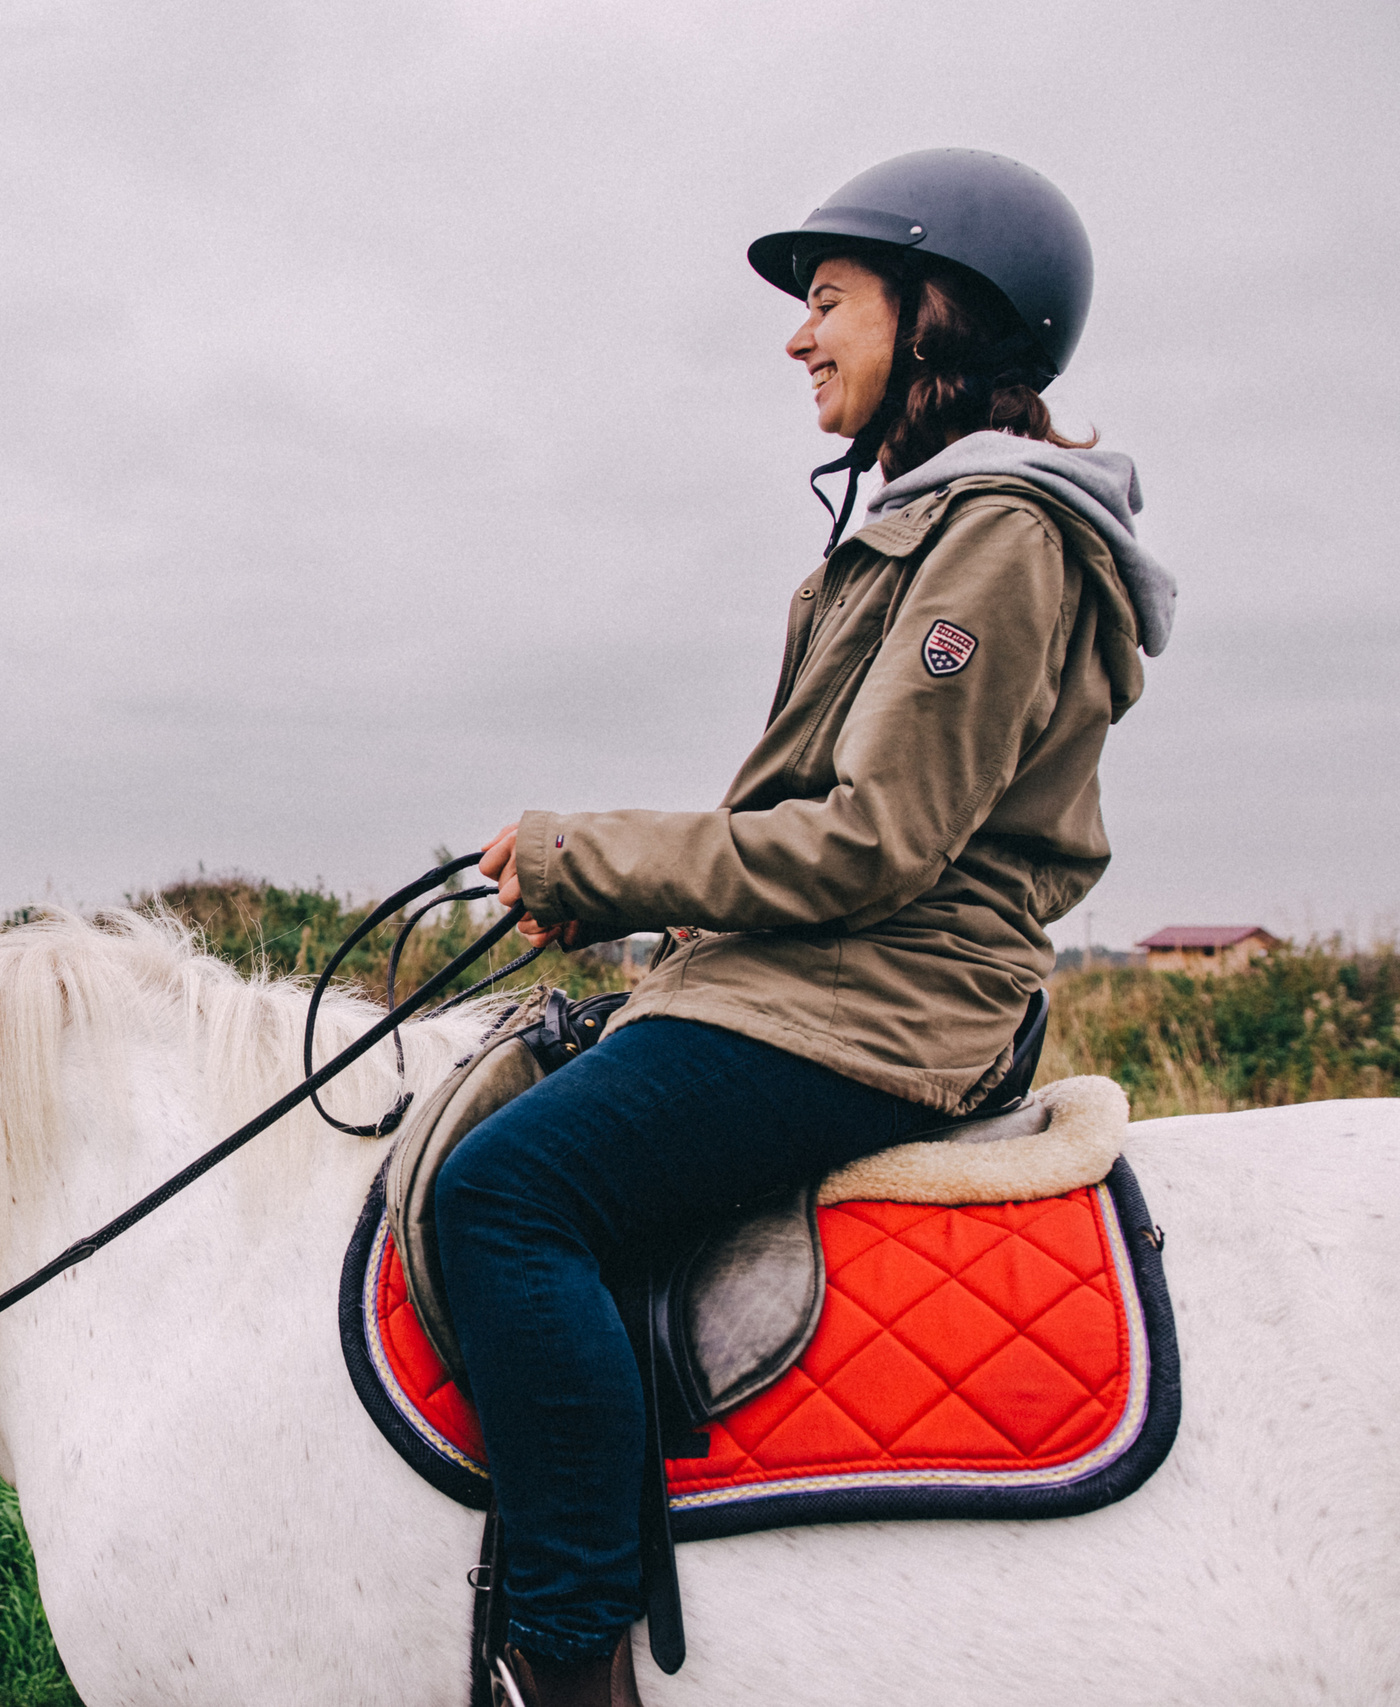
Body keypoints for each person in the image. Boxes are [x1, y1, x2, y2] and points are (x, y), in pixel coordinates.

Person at [437, 148, 1176, 1707]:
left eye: (830, 303)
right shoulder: (925, 525)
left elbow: (874, 844)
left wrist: (594, 859)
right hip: (817, 977)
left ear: (941, 313)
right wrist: (639, 925)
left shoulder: (998, 538)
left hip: (886, 1002)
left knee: (507, 1197)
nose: (798, 338)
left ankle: (566, 1658)